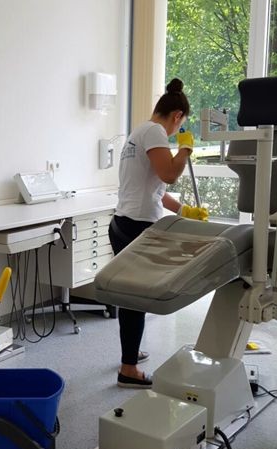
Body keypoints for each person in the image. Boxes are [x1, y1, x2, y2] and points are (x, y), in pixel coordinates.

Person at [110, 77, 207, 389]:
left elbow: (155, 189)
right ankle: (128, 369)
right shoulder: (154, 132)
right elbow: (169, 173)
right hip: (136, 227)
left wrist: (183, 210)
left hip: (126, 222)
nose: (178, 132)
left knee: (132, 296)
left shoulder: (139, 132)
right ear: (177, 116)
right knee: (135, 299)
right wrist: (186, 149)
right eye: (181, 126)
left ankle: (131, 351)